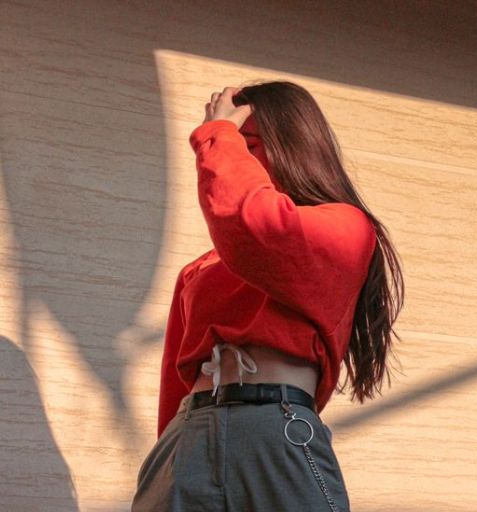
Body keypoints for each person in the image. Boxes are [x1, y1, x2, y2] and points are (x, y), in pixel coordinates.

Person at [131, 80, 404, 511]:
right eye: (231, 145)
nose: (230, 156)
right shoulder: (203, 267)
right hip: (188, 435)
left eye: (247, 145)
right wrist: (166, 449)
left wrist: (218, 135)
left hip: (276, 427)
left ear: (292, 145)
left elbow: (253, 224)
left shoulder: (344, 227)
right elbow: (175, 379)